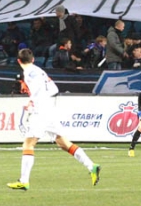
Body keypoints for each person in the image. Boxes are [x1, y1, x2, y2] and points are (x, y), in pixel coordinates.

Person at [7, 48, 100, 190]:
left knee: (28, 144)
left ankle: (24, 181)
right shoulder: (40, 71)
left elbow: (37, 91)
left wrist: (32, 102)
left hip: (40, 111)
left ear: (18, 61)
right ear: (33, 59)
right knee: (63, 143)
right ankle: (91, 166)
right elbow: (54, 89)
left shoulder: (29, 73)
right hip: (50, 109)